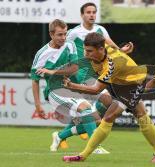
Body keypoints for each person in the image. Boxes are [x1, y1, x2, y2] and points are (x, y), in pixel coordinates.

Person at [62, 32, 155, 163]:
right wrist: (121, 50)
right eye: (85, 50)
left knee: (109, 116)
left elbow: (96, 89)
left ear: (101, 49)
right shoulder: (102, 47)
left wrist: (72, 86)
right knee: (141, 114)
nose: (85, 54)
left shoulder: (112, 65)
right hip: (118, 82)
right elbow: (105, 39)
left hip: (132, 84)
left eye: (89, 51)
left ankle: (83, 156)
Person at [31, 19, 108, 153]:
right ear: (51, 35)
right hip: (56, 91)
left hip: (73, 87)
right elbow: (35, 80)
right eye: (60, 34)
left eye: (65, 34)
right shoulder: (42, 54)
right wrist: (38, 105)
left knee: (96, 119)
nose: (63, 37)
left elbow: (74, 68)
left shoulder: (70, 44)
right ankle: (95, 147)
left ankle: (60, 136)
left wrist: (53, 71)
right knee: (86, 109)